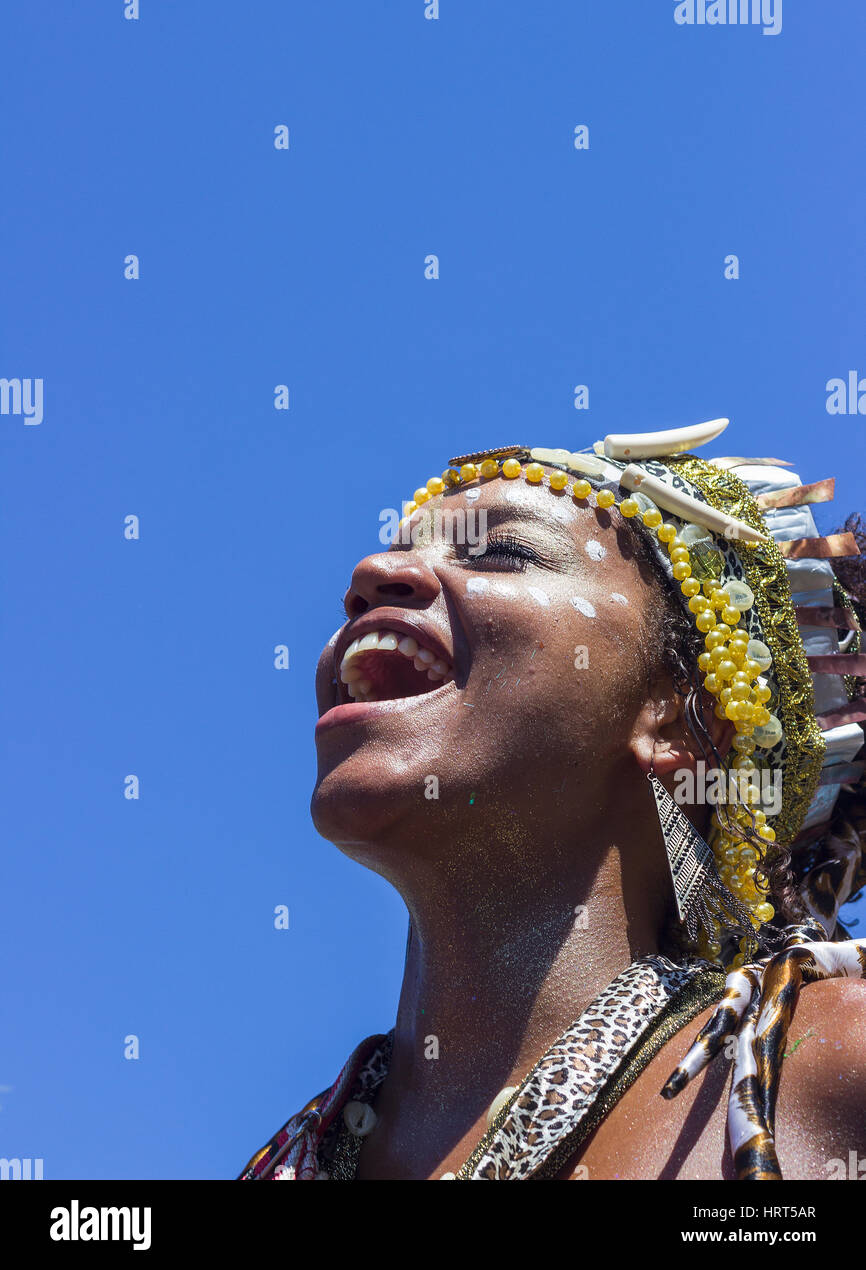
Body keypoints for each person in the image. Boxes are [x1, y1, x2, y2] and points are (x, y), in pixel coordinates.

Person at [239, 420, 866, 1180]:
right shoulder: (281, 1163)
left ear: (682, 716)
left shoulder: (824, 1073)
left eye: (503, 551)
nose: (372, 572)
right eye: (401, 548)